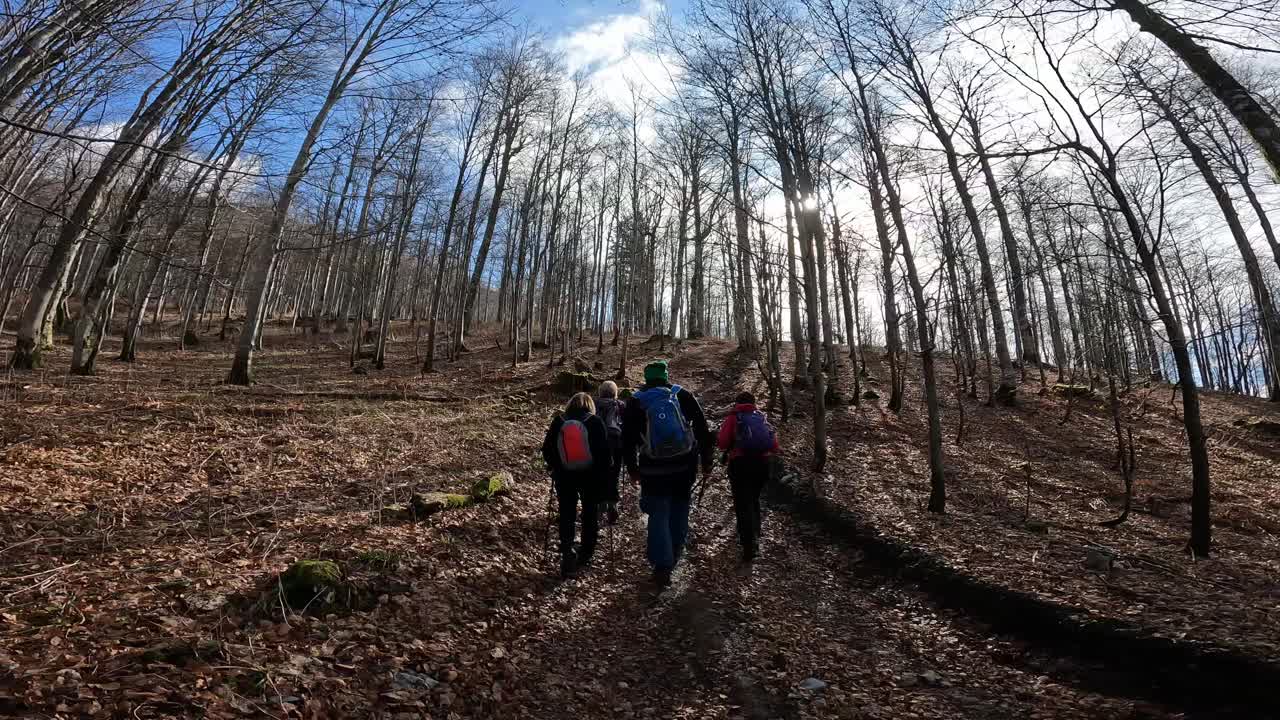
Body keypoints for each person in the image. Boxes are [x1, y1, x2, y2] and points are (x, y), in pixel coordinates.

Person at [622, 360, 713, 587]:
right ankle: (675, 550)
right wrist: (707, 461)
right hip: (684, 467)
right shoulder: (682, 395)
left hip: (653, 470)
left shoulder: (636, 401)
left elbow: (627, 440)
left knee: (658, 513)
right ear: (665, 376)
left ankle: (663, 565)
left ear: (646, 378)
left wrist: (632, 470)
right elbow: (702, 428)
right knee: (681, 508)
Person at [541, 392, 611, 579]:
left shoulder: (559, 421)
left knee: (567, 514)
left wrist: (555, 466)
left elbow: (547, 449)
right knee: (589, 513)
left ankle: (567, 553)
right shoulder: (594, 422)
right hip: (591, 476)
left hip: (565, 477)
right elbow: (604, 454)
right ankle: (586, 552)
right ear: (590, 405)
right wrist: (604, 477)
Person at [716, 391, 779, 561]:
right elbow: (774, 446)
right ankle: (755, 535)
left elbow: (722, 443)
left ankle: (748, 545)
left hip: (740, 464)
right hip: (762, 464)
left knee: (742, 503)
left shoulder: (733, 417)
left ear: (737, 403)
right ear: (754, 403)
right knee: (754, 499)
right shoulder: (760, 417)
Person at [595, 381, 626, 525]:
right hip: (616, 444)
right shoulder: (620, 405)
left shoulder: (593, 404)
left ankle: (600, 507)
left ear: (600, 392)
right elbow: (625, 427)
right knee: (614, 474)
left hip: (598, 443)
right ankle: (612, 504)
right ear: (615, 392)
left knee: (599, 474)